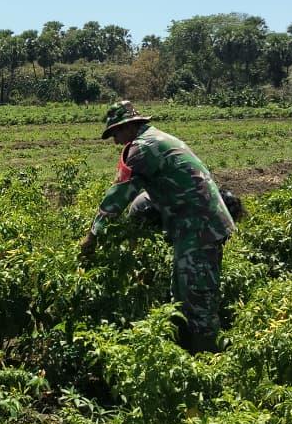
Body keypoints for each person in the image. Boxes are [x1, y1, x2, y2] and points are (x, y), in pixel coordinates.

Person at [80, 101, 235, 352]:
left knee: (197, 300)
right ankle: (191, 353)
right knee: (183, 294)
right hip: (197, 224)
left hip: (198, 227)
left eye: (117, 133)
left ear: (129, 126)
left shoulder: (143, 148)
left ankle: (209, 362)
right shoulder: (157, 138)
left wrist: (93, 236)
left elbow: (119, 194)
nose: (116, 142)